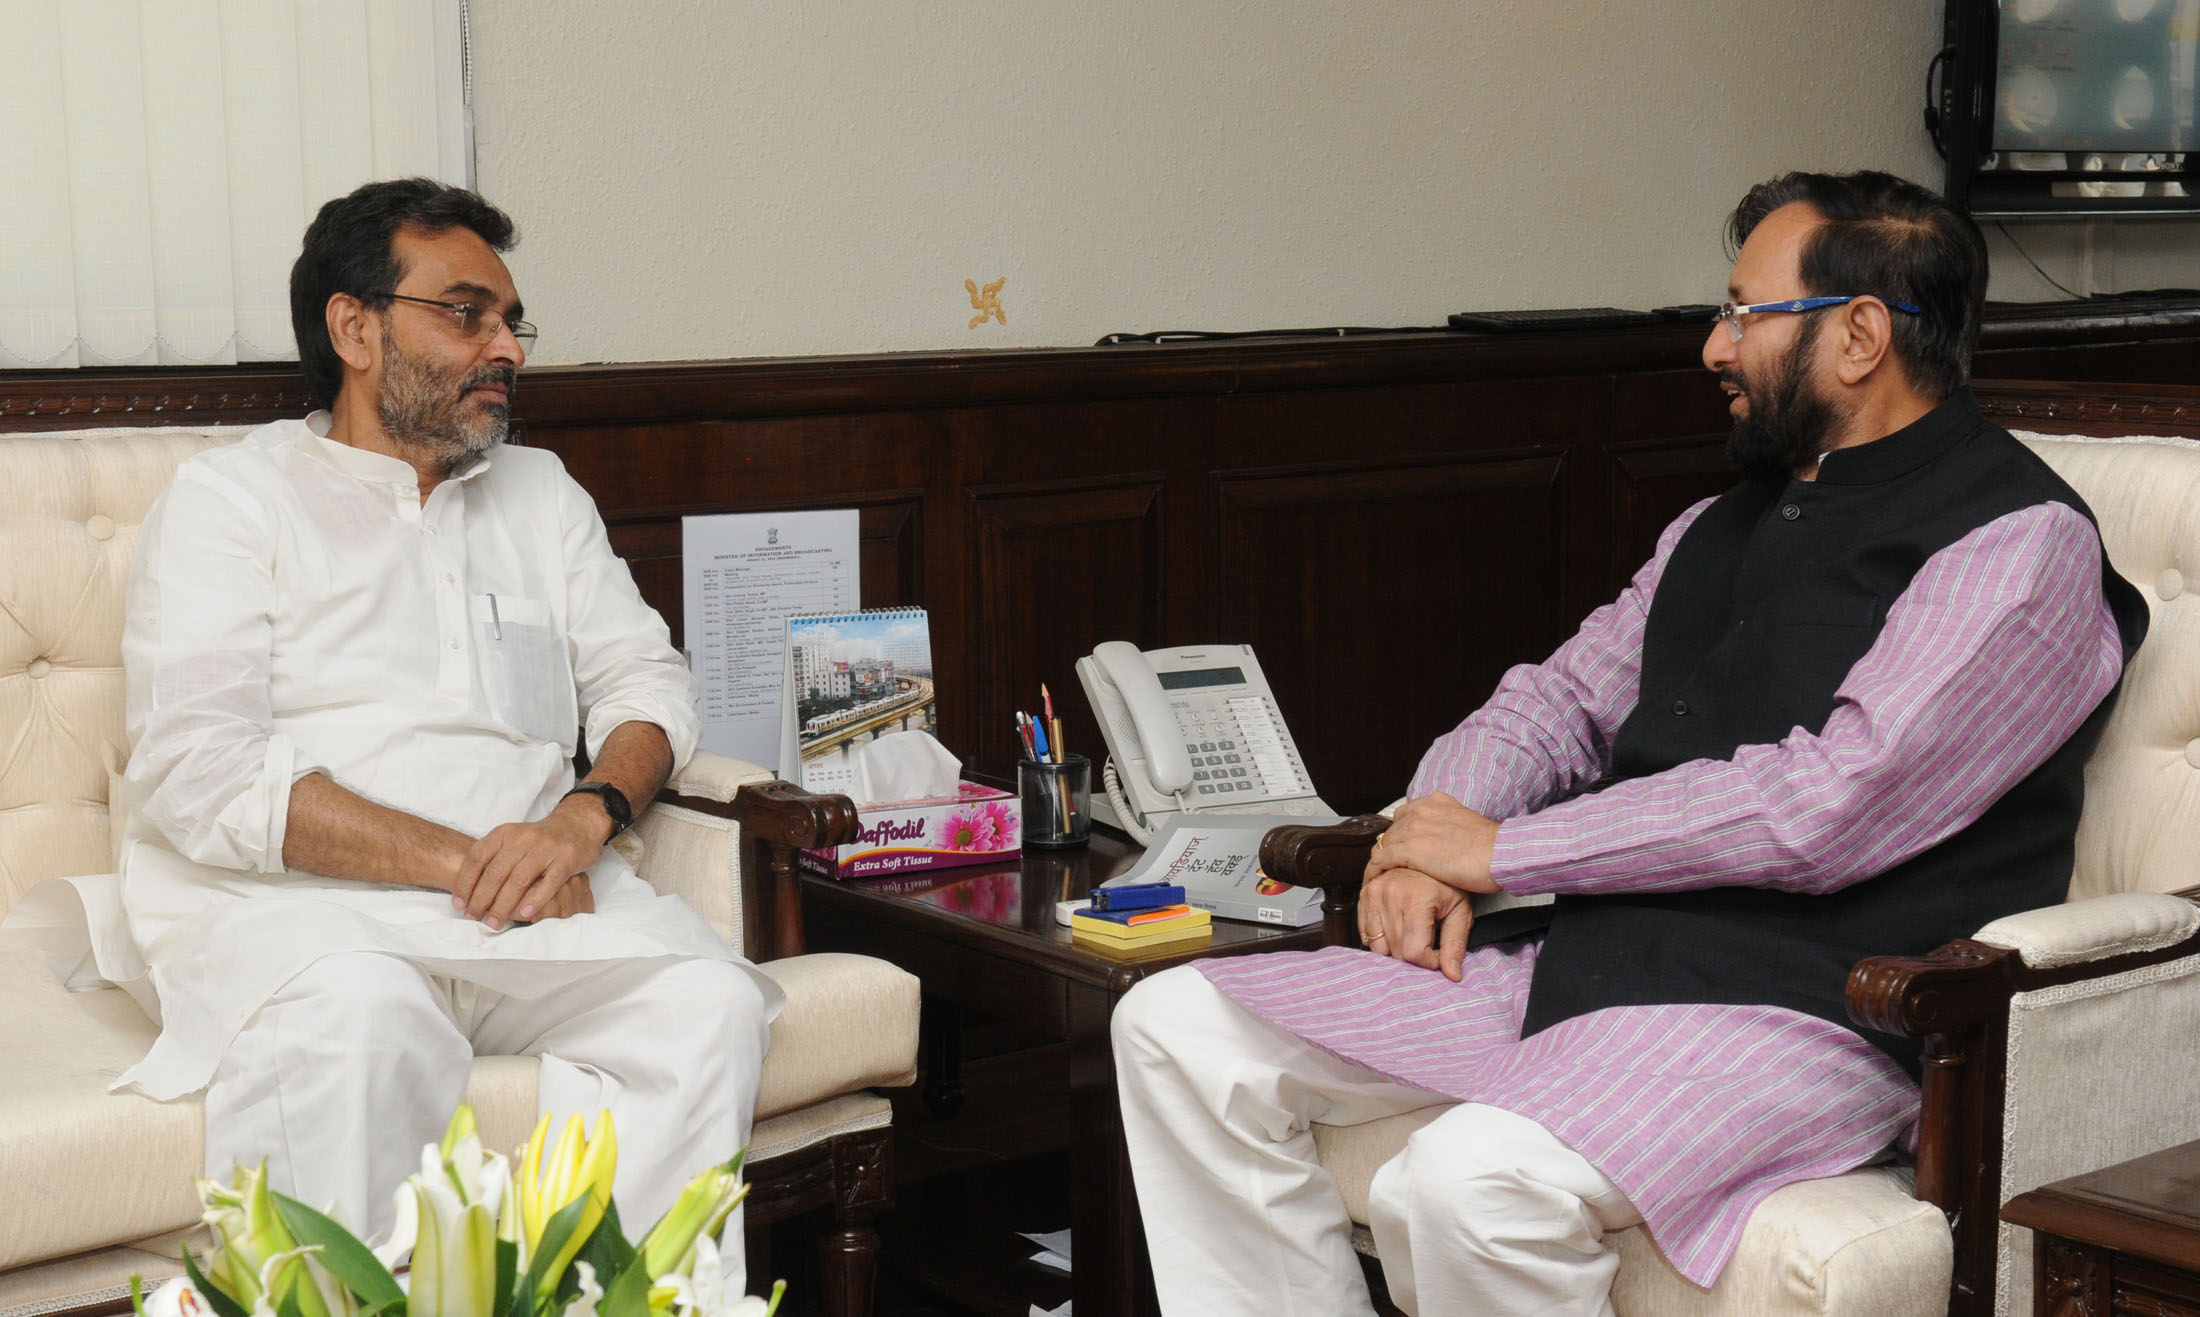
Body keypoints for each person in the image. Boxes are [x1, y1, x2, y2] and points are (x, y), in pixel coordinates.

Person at [1112, 169, 2150, 1315]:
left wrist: (1499, 855)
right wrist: (1418, 837)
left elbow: (1824, 808)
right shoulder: (1719, 522)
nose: (1714, 347)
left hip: (1811, 1014)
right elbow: (1553, 705)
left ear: (1860, 335)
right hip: (1590, 966)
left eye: (1745, 314)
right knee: (1173, 1024)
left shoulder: (2017, 547)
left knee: (1469, 1182)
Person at [92, 179, 773, 1255]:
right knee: (365, 1016)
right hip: (304, 915)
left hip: (532, 903)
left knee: (707, 1007)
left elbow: (648, 686)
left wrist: (581, 822)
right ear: (354, 328)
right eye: (466, 314)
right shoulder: (232, 500)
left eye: (511, 321)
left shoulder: (541, 493)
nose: (503, 346)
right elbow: (202, 772)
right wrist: (471, 863)